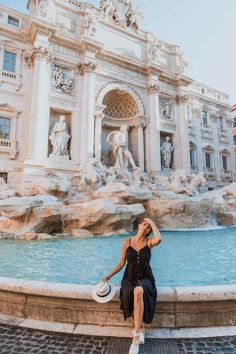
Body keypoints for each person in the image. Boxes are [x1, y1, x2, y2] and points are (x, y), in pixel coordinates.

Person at [102, 218, 162, 354]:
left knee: (139, 291)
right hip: (129, 278)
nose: (146, 228)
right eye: (144, 224)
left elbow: (159, 239)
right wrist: (109, 276)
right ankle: (139, 331)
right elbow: (121, 263)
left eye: (149, 228)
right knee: (134, 291)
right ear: (139, 225)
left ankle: (135, 337)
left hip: (146, 278)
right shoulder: (126, 242)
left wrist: (152, 222)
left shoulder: (149, 243)